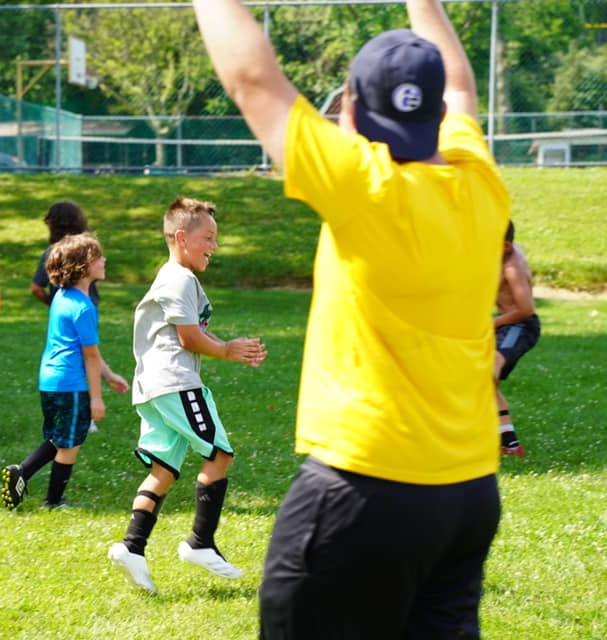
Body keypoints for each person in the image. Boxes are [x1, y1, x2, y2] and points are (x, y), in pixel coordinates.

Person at [192, 0, 509, 637]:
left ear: (353, 112)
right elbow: (462, 85)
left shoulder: (362, 186)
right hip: (468, 493)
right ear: (440, 116)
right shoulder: (482, 183)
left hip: (363, 492)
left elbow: (252, 80)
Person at [107, 197, 267, 595]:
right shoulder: (178, 278)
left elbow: (193, 334)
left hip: (154, 388)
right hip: (175, 383)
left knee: (163, 469)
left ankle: (132, 547)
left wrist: (231, 346)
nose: (214, 246)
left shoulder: (177, 276)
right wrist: (227, 349)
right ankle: (200, 542)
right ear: (181, 237)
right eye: (207, 238)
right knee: (220, 453)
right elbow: (188, 337)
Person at [2, 232, 128, 511]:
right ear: (82, 266)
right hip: (71, 384)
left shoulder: (62, 296)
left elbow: (88, 351)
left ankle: (21, 473)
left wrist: (109, 376)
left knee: (59, 437)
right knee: (69, 444)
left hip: (50, 380)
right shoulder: (83, 307)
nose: (104, 260)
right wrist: (96, 398)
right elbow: (90, 356)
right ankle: (53, 501)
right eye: (98, 256)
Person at [494, 220, 540, 458]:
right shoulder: (505, 253)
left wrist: (490, 324)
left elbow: (526, 310)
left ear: (504, 245)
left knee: (488, 371)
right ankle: (509, 444)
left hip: (520, 325)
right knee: (483, 382)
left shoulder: (512, 266)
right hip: (505, 324)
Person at [30, 200, 99, 307]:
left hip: (62, 307)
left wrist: (51, 304)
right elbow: (95, 282)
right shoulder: (89, 250)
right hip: (88, 306)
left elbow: (36, 288)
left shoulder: (53, 253)